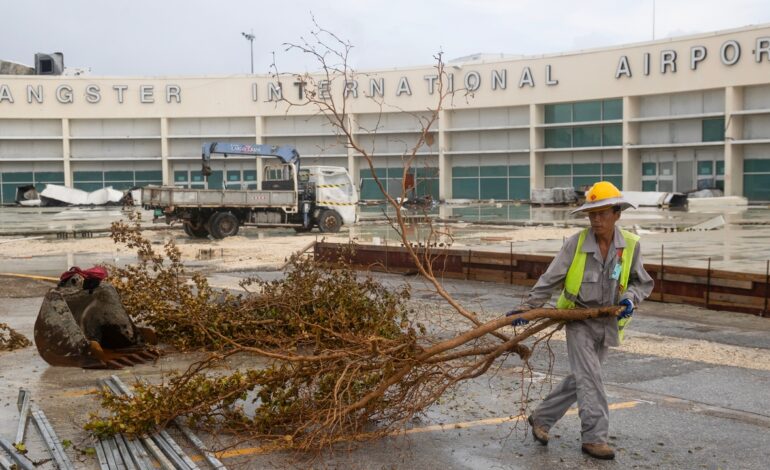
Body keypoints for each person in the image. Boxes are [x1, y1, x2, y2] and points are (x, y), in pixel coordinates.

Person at [507, 181, 654, 460]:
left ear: (617, 214)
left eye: (602, 213)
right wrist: (527, 307)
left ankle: (541, 417)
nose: (596, 219)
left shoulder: (631, 246)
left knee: (581, 378)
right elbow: (549, 279)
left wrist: (631, 299)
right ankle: (594, 438)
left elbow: (642, 282)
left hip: (609, 321)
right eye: (592, 214)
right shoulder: (575, 245)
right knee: (591, 378)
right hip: (578, 319)